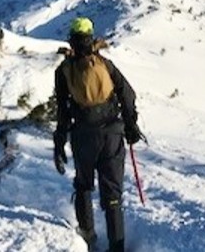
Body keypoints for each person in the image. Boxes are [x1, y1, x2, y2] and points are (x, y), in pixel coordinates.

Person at [53, 17, 142, 252]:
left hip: (83, 135)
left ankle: (88, 240)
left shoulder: (63, 71)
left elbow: (62, 111)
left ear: (71, 39)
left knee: (83, 186)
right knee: (112, 192)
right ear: (91, 37)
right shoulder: (105, 64)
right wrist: (131, 126)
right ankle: (117, 247)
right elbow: (128, 95)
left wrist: (59, 142)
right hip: (112, 133)